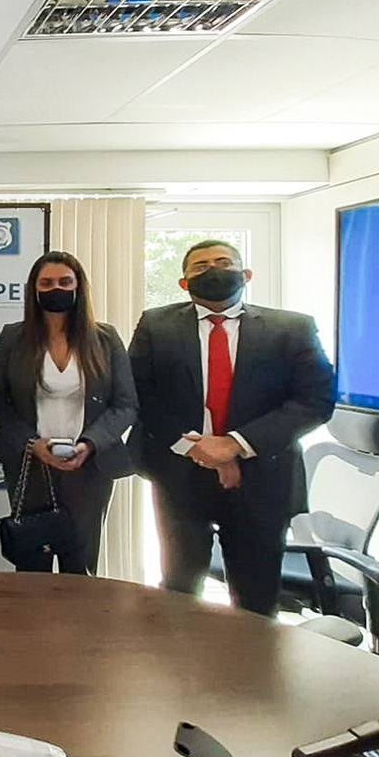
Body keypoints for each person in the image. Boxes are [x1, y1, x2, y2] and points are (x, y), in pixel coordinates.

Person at [129, 239, 335, 616]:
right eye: (200, 266)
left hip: (262, 478)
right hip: (181, 476)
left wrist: (235, 445)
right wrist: (197, 448)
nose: (213, 270)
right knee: (178, 591)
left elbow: (315, 401)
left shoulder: (292, 328)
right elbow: (140, 395)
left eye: (224, 262)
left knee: (256, 598)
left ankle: (252, 657)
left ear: (246, 274)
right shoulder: (156, 325)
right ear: (184, 283)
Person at [0, 251, 138, 575]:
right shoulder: (13, 337)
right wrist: (32, 443)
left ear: (78, 287)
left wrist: (90, 444)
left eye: (65, 282)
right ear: (34, 289)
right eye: (47, 283)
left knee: (80, 563)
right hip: (30, 463)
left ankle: (79, 613)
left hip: (89, 467)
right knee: (32, 564)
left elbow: (125, 404)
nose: (56, 288)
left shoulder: (105, 338)